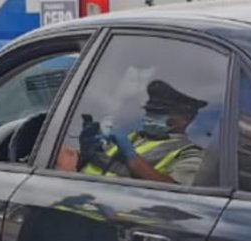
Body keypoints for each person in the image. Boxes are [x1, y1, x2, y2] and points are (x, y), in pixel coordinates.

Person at [57, 80, 207, 186]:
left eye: (159, 113)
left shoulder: (190, 153)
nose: (150, 117)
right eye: (149, 111)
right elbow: (103, 167)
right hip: (80, 200)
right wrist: (89, 152)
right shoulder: (132, 136)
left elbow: (176, 191)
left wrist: (131, 156)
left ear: (184, 119)